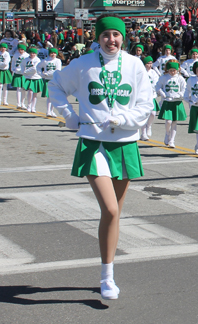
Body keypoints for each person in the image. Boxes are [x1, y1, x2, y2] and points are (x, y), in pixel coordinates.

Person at [48, 14, 153, 300]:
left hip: (124, 144)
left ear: (124, 38)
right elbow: (55, 85)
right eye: (106, 35)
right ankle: (106, 277)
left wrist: (124, 118)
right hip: (93, 144)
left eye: (116, 35)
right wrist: (69, 116)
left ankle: (108, 275)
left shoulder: (134, 65)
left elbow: (146, 104)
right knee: (110, 210)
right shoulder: (83, 65)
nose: (111, 40)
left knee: (114, 214)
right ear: (98, 37)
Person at [156, 59, 187, 148]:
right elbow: (158, 86)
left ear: (177, 70)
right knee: (168, 121)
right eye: (170, 70)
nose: (172, 72)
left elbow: (184, 90)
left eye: (174, 70)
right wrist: (162, 94)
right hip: (167, 102)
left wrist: (178, 95)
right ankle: (167, 133)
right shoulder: (164, 77)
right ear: (167, 70)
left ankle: (172, 140)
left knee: (174, 122)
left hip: (176, 102)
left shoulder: (180, 79)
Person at [141, 56, 161, 140]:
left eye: (151, 63)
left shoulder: (153, 73)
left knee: (153, 113)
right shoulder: (141, 72)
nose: (149, 65)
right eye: (148, 63)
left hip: (151, 96)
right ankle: (143, 133)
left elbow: (156, 83)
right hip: (143, 96)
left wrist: (152, 89)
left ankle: (149, 126)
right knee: (144, 114)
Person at [39, 48, 62, 117]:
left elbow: (58, 70)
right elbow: (38, 67)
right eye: (51, 53)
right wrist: (41, 74)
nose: (53, 54)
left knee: (53, 97)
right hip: (47, 80)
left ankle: (52, 111)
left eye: (54, 53)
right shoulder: (45, 61)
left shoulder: (58, 61)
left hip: (54, 80)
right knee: (49, 96)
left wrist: (48, 74)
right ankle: (48, 111)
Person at [11, 43, 29, 109]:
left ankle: (23, 103)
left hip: (24, 74)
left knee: (23, 89)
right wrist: (13, 69)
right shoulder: (16, 55)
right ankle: (18, 103)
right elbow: (13, 63)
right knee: (18, 88)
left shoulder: (27, 56)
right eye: (19, 49)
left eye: (22, 49)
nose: (20, 51)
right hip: (17, 73)